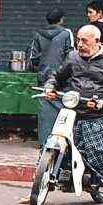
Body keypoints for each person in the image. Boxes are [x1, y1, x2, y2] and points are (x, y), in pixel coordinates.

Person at [39, 25, 103, 205]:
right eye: (78, 40)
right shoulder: (73, 57)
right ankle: (39, 185)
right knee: (50, 145)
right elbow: (57, 76)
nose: (80, 44)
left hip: (100, 115)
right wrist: (50, 87)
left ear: (97, 41)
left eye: (84, 41)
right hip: (72, 112)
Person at [28, 9, 73, 147]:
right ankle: (59, 141)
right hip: (61, 76)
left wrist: (42, 65)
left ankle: (44, 141)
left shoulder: (38, 34)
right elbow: (70, 55)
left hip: (43, 76)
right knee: (62, 108)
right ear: (61, 20)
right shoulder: (66, 33)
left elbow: (33, 58)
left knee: (45, 108)